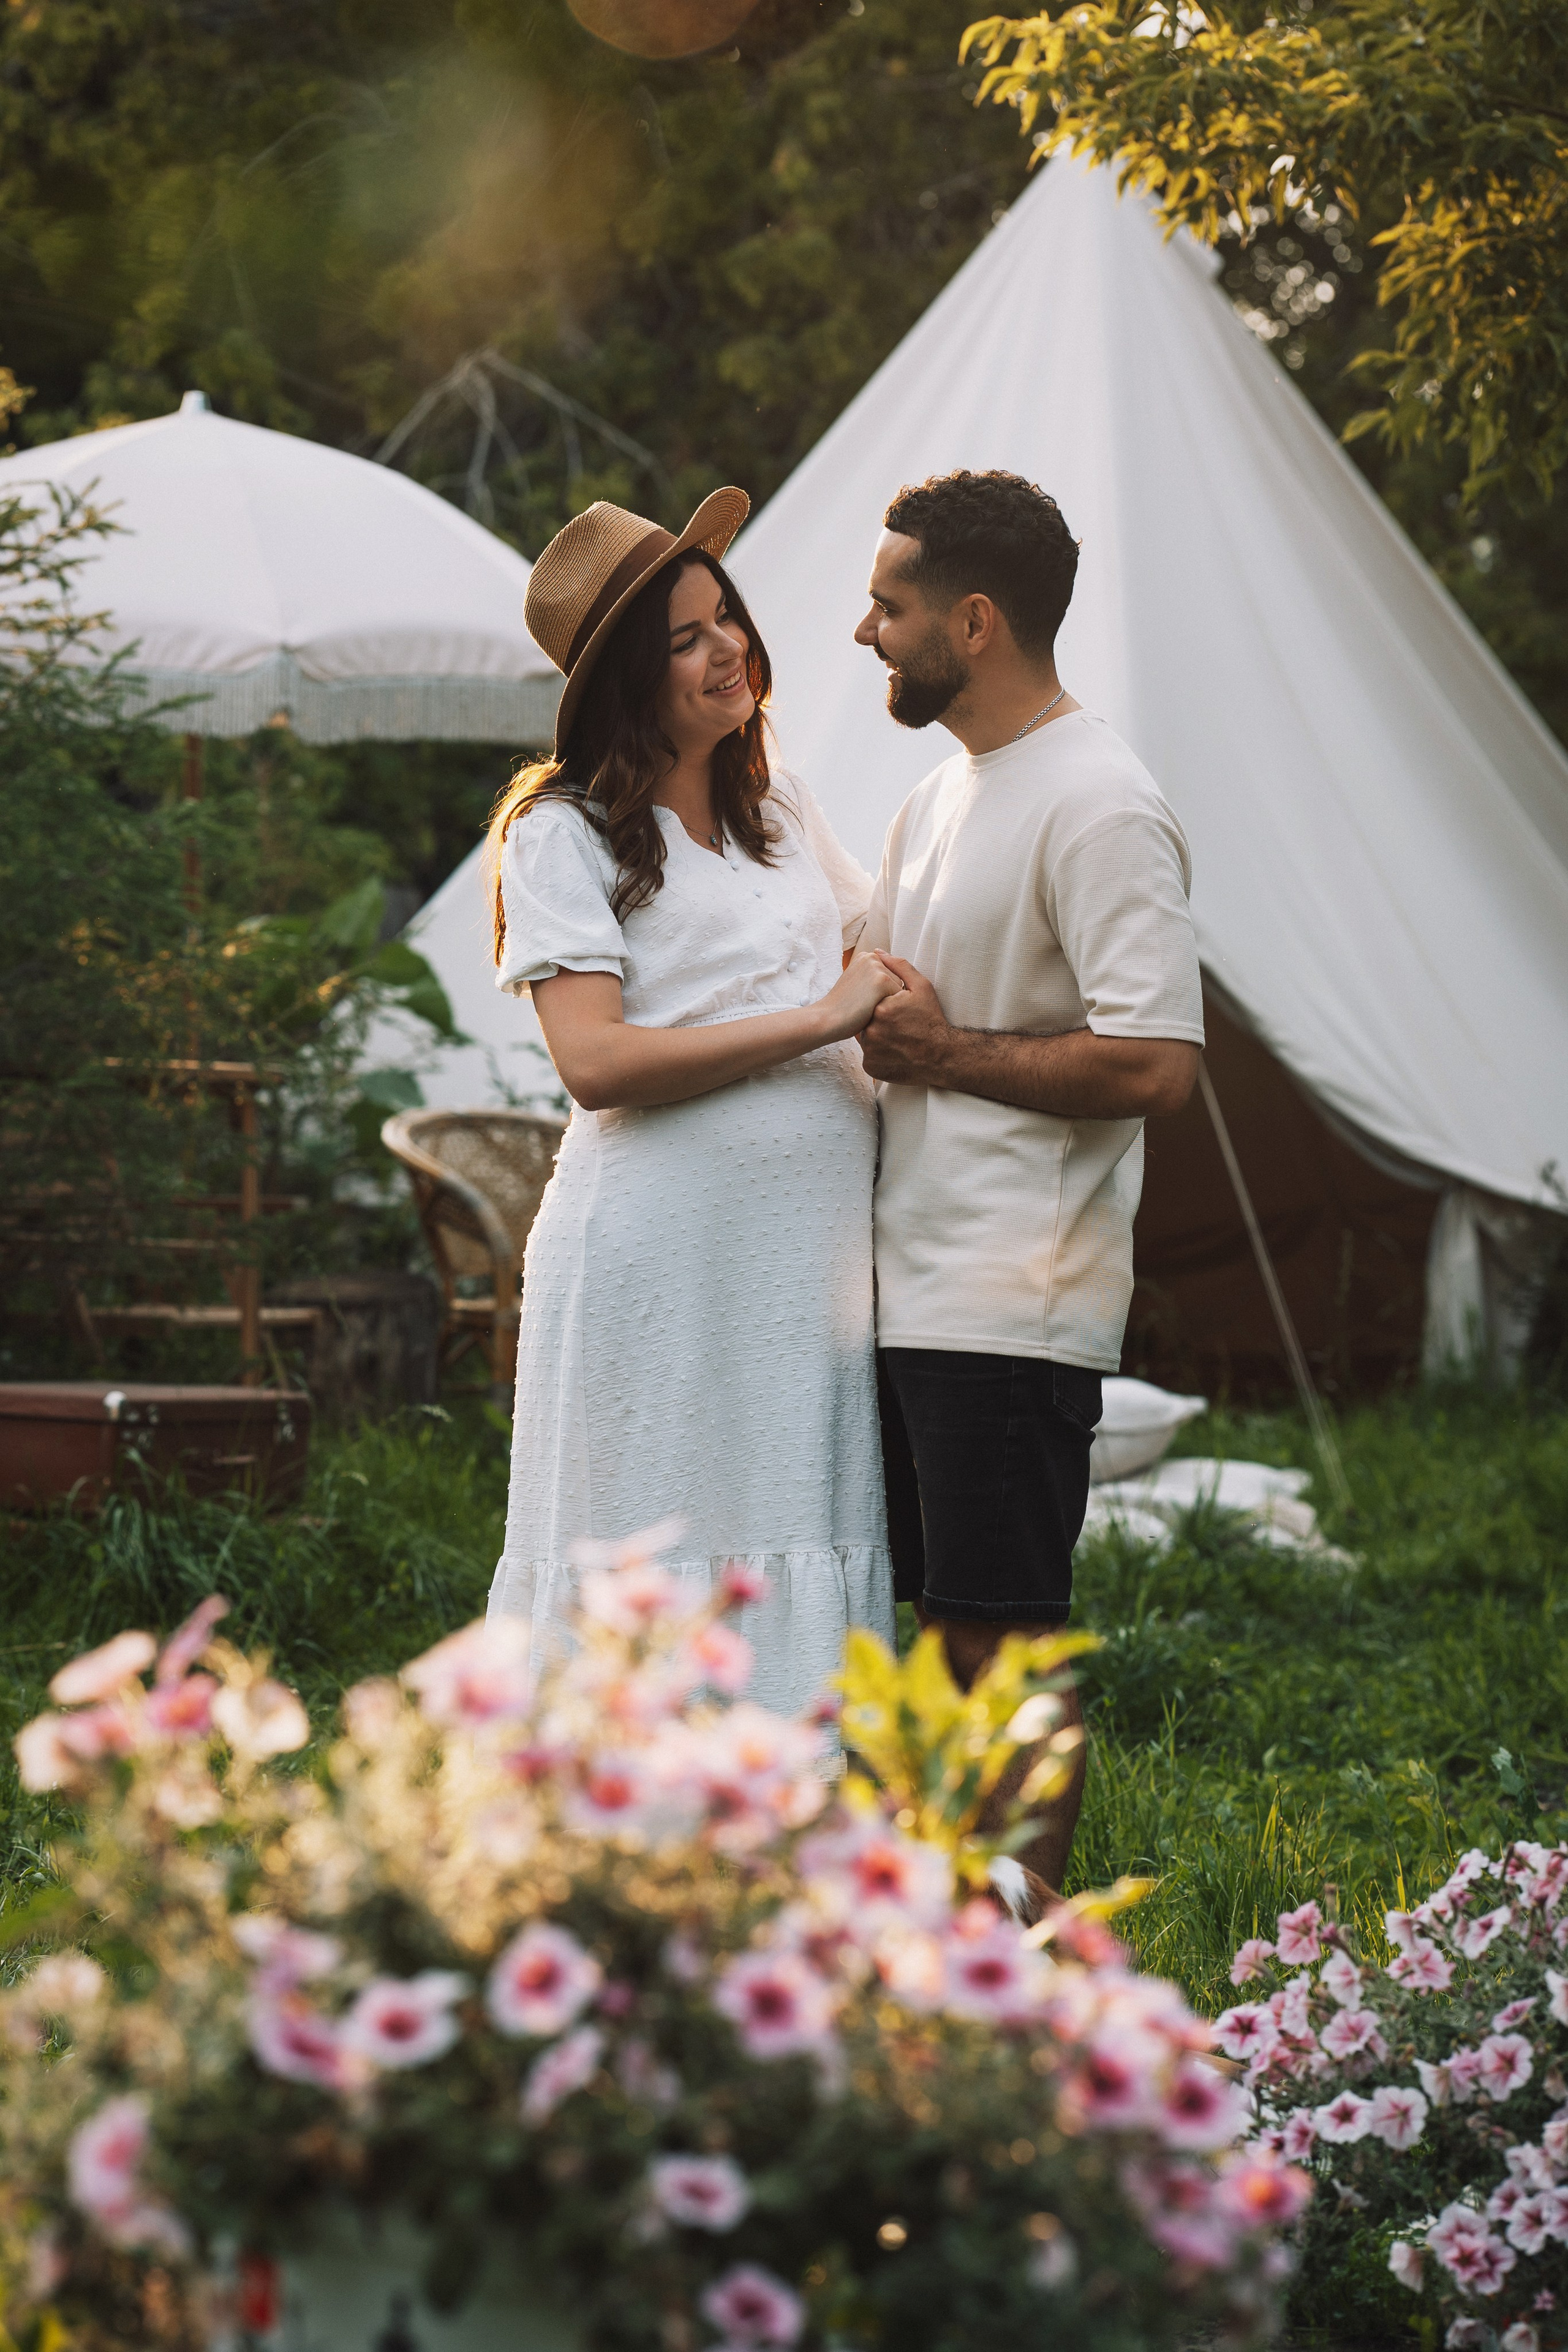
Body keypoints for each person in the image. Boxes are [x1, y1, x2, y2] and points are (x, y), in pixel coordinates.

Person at [484, 491, 904, 1717]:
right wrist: (820, 1022)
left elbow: (879, 936)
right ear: (627, 676)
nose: (727, 649)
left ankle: (786, 1837)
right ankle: (635, 1837)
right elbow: (595, 1063)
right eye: (684, 637)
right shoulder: (561, 834)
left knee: (786, 1504)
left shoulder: (777, 809)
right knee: (656, 1530)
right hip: (656, 1250)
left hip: (800, 1261)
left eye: (724, 618)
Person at [854, 469, 1205, 1907]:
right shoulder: (936, 794)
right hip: (900, 1284)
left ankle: (1029, 1959)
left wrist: (944, 1051)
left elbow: (1154, 1067)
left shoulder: (1103, 803)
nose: (862, 630)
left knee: (1006, 1644)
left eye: (889, 603)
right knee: (926, 1641)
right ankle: (929, 1941)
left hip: (1013, 1297)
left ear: (975, 620)